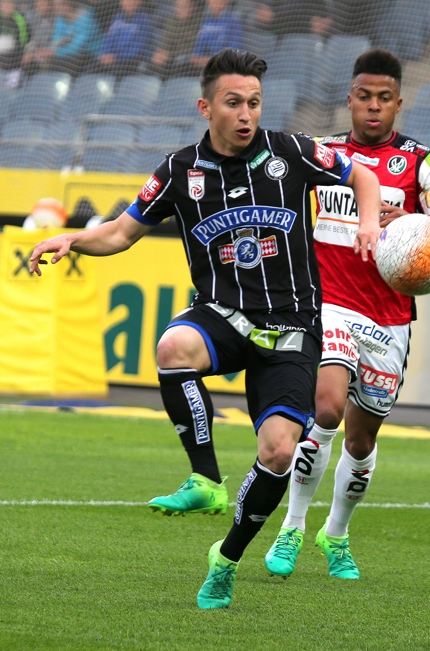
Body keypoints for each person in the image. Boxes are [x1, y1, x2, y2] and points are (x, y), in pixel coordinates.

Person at [27, 48, 382, 609]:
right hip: (223, 314)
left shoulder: (290, 151)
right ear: (206, 106)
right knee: (174, 345)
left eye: (255, 103)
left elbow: (361, 175)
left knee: (279, 452)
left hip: (292, 325)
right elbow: (121, 233)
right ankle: (206, 481)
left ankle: (227, 558)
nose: (247, 114)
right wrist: (72, 239)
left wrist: (367, 223)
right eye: (234, 103)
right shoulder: (179, 170)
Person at [263, 49, 430, 580]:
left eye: (384, 99)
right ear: (349, 100)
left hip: (390, 319)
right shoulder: (323, 153)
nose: (373, 108)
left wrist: (415, 226)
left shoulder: (423, 162)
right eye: (363, 98)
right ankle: (292, 527)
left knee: (360, 439)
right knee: (325, 409)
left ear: (399, 103)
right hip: (327, 305)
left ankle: (336, 534)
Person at [95, 0, 154, 76]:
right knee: (91, 67)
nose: (127, 3)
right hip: (113, 58)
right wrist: (105, 53)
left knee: (118, 70)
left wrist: (116, 57)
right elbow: (109, 39)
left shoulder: (144, 20)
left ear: (138, 2)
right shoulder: (117, 18)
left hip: (131, 60)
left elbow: (138, 46)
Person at [148, 0, 203, 78]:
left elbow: (193, 48)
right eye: (178, 6)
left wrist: (169, 55)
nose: (180, 9)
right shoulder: (172, 20)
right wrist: (161, 52)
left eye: (184, 6)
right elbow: (166, 43)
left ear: (193, 7)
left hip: (189, 61)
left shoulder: (199, 21)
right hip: (172, 61)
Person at [191, 0, 243, 68]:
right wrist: (199, 59)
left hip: (225, 67)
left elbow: (236, 53)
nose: (214, 2)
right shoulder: (205, 21)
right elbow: (196, 54)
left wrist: (213, 60)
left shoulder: (233, 21)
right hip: (203, 67)